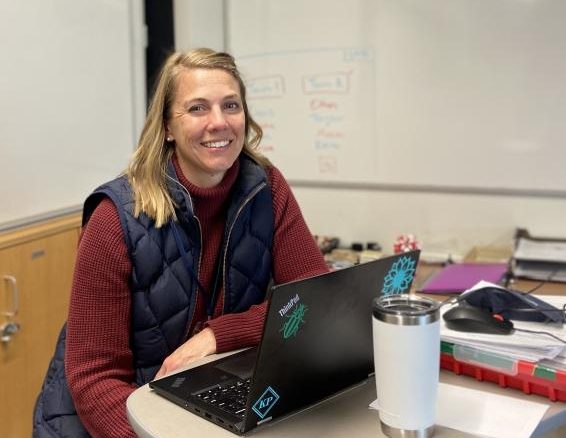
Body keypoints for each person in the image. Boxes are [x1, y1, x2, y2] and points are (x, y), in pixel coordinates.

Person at [33, 48, 328, 437]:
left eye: (231, 105)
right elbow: (93, 377)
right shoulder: (115, 216)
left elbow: (312, 300)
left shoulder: (267, 189)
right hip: (111, 422)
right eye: (197, 109)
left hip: (203, 406)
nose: (219, 122)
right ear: (168, 127)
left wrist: (218, 335)